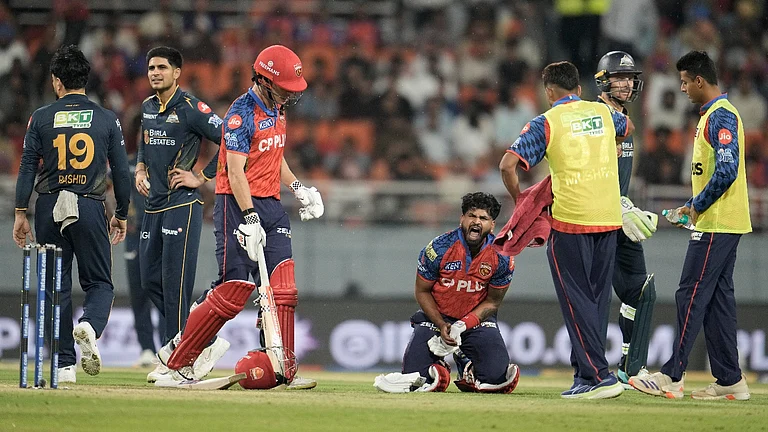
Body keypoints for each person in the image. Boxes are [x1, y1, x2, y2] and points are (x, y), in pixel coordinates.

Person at [161, 45, 324, 390]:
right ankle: (177, 361)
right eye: (284, 88)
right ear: (264, 81)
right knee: (234, 289)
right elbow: (235, 172)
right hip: (236, 204)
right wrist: (248, 216)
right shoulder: (240, 113)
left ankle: (284, 367)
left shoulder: (278, 110)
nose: (289, 96)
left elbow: (274, 155)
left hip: (271, 205)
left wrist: (298, 187)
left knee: (283, 289)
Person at [499, 61, 635, 399]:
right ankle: (584, 375)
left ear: (548, 91)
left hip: (571, 220)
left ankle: (597, 377)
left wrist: (523, 202)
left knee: (576, 301)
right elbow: (628, 127)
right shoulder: (602, 112)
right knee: (596, 301)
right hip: (607, 218)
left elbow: (508, 165)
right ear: (579, 88)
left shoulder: (546, 122)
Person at [629, 50, 752, 400]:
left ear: (699, 80)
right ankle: (730, 380)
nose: (681, 88)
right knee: (716, 300)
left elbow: (727, 172)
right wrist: (691, 205)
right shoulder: (713, 116)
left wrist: (696, 207)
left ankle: (672, 375)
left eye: (684, 81)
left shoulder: (721, 116)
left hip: (716, 223)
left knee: (691, 293)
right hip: (720, 221)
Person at [13, 45, 131, 383]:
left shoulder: (41, 116)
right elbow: (120, 174)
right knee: (99, 283)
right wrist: (121, 213)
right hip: (90, 204)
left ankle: (64, 366)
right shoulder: (107, 118)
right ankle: (90, 326)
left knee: (54, 287)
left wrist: (21, 212)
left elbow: (26, 170)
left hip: (49, 206)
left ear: (56, 81)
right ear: (86, 79)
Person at [135, 46, 228, 383]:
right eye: (151, 67)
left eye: (162, 67)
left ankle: (178, 358)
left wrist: (201, 178)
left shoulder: (191, 108)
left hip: (183, 206)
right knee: (149, 281)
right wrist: (140, 168)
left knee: (175, 286)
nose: (155, 72)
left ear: (177, 73)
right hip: (153, 206)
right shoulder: (147, 107)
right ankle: (205, 342)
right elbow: (145, 140)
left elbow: (231, 139)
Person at [373, 192, 519, 393]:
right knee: (417, 379)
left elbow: (493, 302)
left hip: (475, 321)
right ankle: (440, 367)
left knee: (495, 379)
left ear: (492, 225)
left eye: (483, 218)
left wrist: (462, 325)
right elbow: (422, 291)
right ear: (462, 219)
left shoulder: (502, 256)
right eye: (471, 216)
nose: (476, 222)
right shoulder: (438, 248)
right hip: (436, 319)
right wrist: (442, 324)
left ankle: (466, 362)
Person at [594, 51, 658, 387]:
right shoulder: (597, 118)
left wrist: (625, 204)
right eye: (619, 77)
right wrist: (614, 202)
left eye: (630, 77)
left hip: (621, 216)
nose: (627, 83)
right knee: (595, 297)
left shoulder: (625, 118)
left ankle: (630, 366)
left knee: (640, 292)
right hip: (596, 220)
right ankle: (588, 368)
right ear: (603, 81)